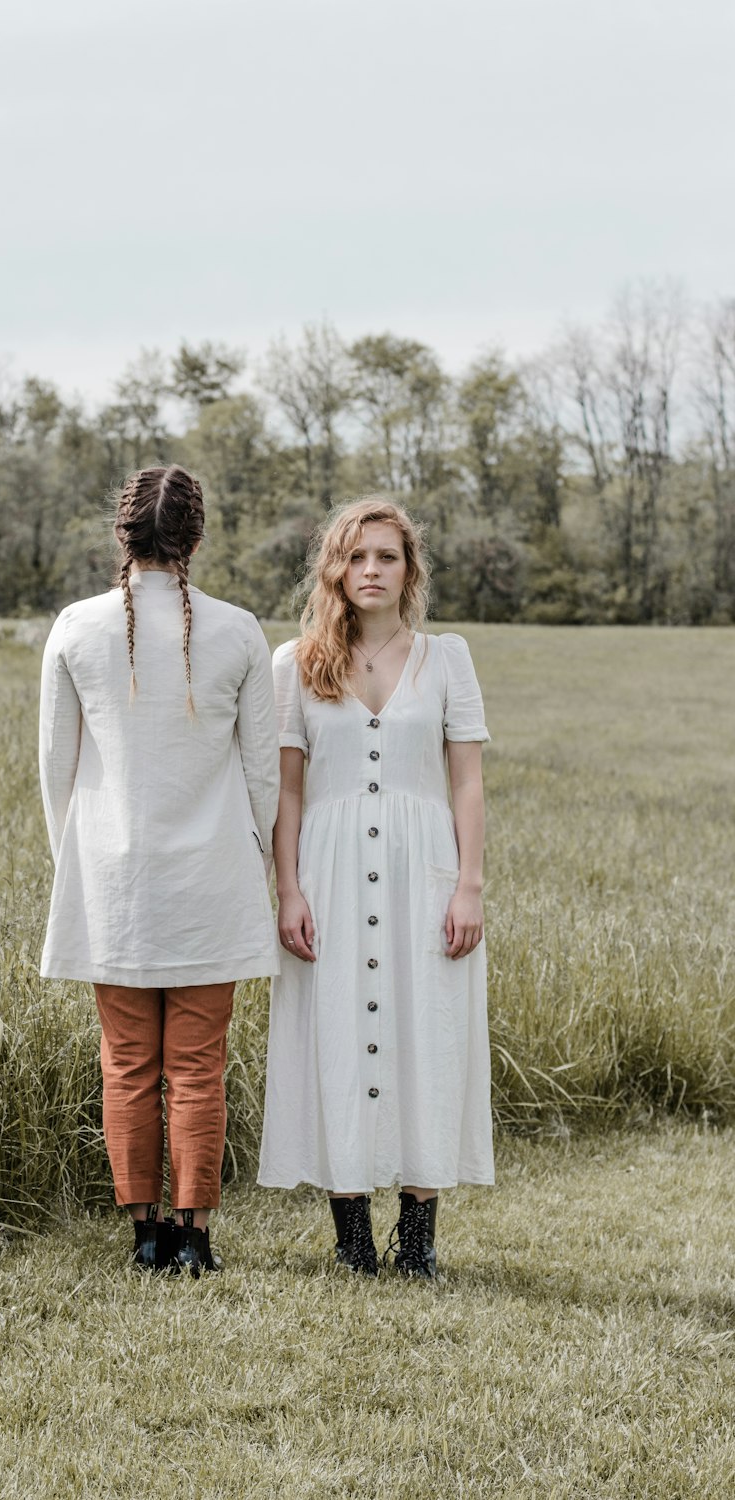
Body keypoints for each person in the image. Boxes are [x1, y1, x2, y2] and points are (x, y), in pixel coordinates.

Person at [39, 464, 280, 1276]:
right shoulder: (242, 631)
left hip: (112, 880)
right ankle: (196, 1235)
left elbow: (56, 771)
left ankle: (144, 1234)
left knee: (128, 1063)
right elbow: (260, 777)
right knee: (197, 1068)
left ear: (122, 535)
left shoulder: (75, 627)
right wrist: (254, 858)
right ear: (197, 539)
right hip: (212, 879)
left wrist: (77, 868)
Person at [257, 497, 493, 1278]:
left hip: (422, 867)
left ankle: (418, 1235)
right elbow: (286, 791)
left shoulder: (447, 657)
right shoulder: (295, 663)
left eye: (386, 556)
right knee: (335, 1031)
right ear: (335, 568)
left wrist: (469, 885)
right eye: (356, 557)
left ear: (408, 569)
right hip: (326, 868)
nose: (371, 571)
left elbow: (468, 783)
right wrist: (287, 889)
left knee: (429, 1028)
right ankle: (351, 1231)